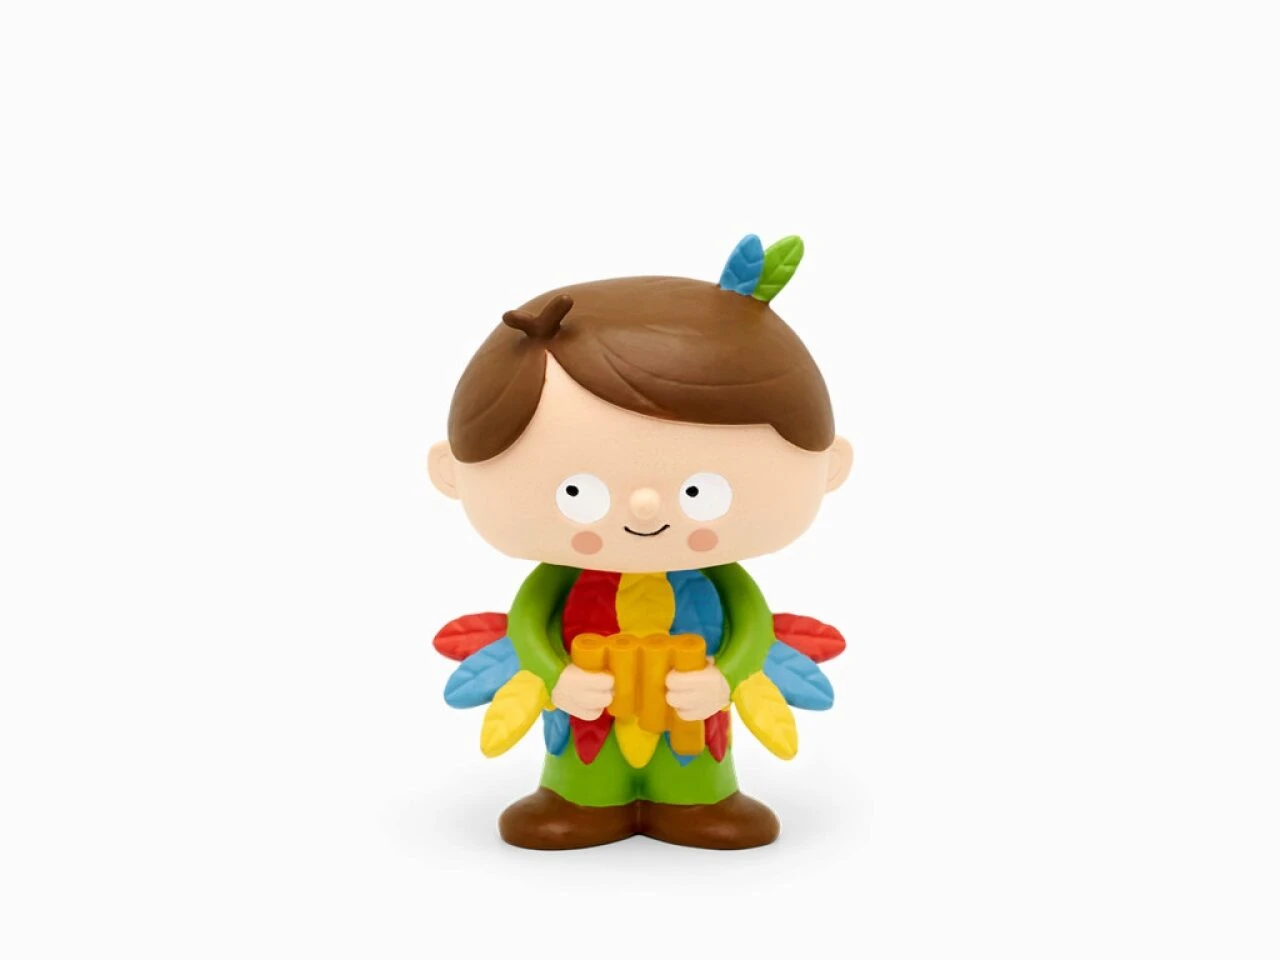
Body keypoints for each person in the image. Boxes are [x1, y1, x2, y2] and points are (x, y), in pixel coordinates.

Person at [428, 235, 852, 849]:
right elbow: (528, 623)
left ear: (831, 465)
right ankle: (577, 798)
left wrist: (724, 678)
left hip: (690, 719)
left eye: (700, 492)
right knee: (584, 762)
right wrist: (556, 677)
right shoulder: (560, 576)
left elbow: (752, 625)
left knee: (692, 764)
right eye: (578, 493)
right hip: (587, 717)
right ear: (450, 472)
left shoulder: (719, 576)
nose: (646, 509)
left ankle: (700, 800)